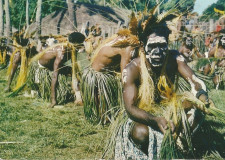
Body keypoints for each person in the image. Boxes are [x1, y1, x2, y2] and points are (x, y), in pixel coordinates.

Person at [108, 12, 213, 159]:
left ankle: (178, 148)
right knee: (141, 133)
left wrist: (202, 95)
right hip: (143, 114)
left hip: (168, 106)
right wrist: (155, 120)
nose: (158, 52)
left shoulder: (174, 58)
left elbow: (194, 80)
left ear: (168, 45)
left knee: (195, 114)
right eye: (153, 46)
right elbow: (130, 108)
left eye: (162, 45)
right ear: (143, 47)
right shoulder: (132, 68)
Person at [31, 32, 85, 108]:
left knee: (75, 72)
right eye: (81, 43)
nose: (82, 45)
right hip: (44, 67)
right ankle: (54, 98)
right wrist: (53, 100)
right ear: (76, 43)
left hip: (54, 65)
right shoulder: (62, 51)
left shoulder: (73, 49)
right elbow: (54, 75)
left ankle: (79, 97)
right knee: (63, 73)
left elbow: (74, 70)